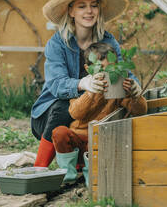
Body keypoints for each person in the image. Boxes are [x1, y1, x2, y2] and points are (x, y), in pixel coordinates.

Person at [30, 0, 143, 171]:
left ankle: (82, 163)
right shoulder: (57, 44)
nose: (89, 11)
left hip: (90, 115)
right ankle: (38, 169)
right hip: (50, 116)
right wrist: (84, 82)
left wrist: (135, 86)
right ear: (71, 11)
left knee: (113, 106)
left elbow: (123, 71)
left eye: (94, 5)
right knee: (62, 105)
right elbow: (56, 85)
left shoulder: (108, 41)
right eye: (82, 6)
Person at [52, 43, 147, 185]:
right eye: (101, 69)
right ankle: (68, 175)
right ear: (88, 69)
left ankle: (92, 177)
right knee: (59, 133)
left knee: (99, 141)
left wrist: (134, 95)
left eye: (111, 68)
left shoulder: (118, 90)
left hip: (100, 143)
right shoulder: (83, 87)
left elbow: (140, 111)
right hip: (79, 140)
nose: (107, 74)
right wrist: (91, 92)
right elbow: (75, 113)